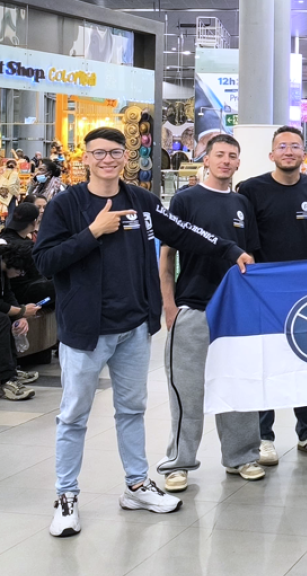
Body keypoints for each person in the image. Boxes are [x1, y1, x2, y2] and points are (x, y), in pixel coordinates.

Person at [34, 126, 253, 538]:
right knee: (73, 416)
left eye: (115, 152)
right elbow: (45, 261)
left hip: (133, 328)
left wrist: (228, 249)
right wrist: (92, 233)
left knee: (132, 411)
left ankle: (136, 485)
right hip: (86, 331)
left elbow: (183, 233)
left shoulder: (143, 202)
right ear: (86, 158)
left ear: (125, 157)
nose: (107, 160)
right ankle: (66, 497)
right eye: (99, 153)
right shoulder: (67, 205)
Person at [156, 134, 265, 493]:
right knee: (186, 391)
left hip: (235, 313)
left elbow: (251, 259)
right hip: (193, 306)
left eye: (233, 156)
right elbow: (167, 254)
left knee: (238, 386)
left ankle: (241, 456)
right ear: (206, 159)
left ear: (238, 162)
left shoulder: (242, 203)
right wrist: (169, 305)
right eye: (219, 154)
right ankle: (179, 462)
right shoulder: (186, 200)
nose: (226, 161)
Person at [237, 125, 307, 467]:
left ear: (304, 153)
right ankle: (264, 437)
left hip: (306, 293)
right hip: (264, 292)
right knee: (267, 364)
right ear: (271, 154)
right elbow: (245, 240)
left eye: (295, 146)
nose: (289, 151)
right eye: (282, 146)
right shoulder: (251, 189)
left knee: (306, 362)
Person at [0, 242, 39, 401]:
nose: (20, 275)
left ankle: (11, 370)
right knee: (2, 320)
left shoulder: (3, 272)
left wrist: (20, 316)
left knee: (7, 319)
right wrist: (22, 311)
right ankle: (5, 380)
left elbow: (8, 295)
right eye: (20, 271)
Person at [1, 203, 55, 304]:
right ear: (34, 223)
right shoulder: (25, 246)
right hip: (22, 294)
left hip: (13, 294)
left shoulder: (5, 237)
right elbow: (39, 272)